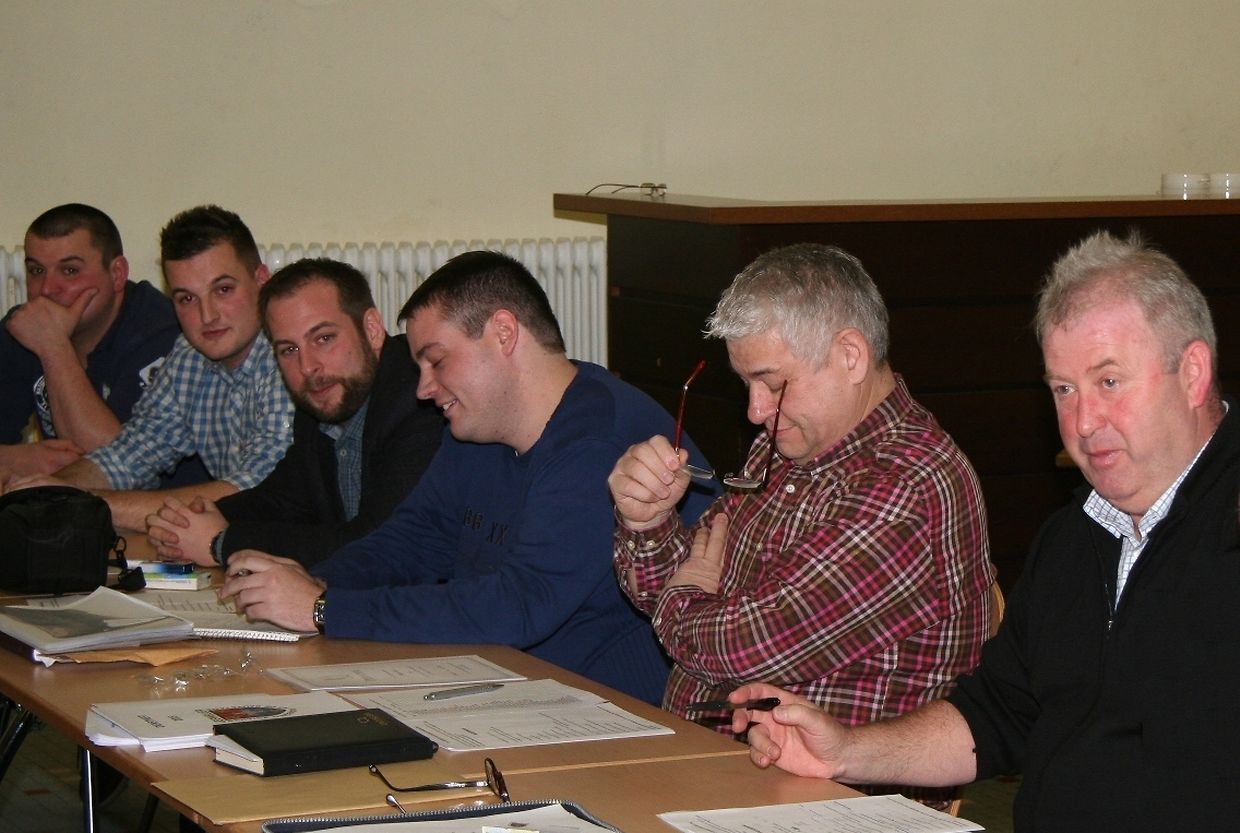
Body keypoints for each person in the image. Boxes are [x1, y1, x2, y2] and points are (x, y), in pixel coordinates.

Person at [731, 231, 1237, 833]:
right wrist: (845, 751)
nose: (1083, 421)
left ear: (1193, 374)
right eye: (1063, 389)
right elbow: (996, 717)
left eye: (1109, 382)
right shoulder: (1073, 539)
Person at [220, 250, 717, 704]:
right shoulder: (478, 430)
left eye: (436, 361)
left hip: (619, 715)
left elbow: (518, 606)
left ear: (503, 334)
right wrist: (316, 582)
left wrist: (325, 609)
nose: (423, 389)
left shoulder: (600, 441)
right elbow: (411, 541)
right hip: (513, 689)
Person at [607, 243, 995, 804]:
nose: (755, 411)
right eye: (747, 384)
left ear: (850, 356)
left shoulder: (907, 486)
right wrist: (647, 523)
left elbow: (742, 646)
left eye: (773, 383)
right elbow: (685, 589)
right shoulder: (790, 448)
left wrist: (682, 599)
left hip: (836, 803)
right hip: (722, 775)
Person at [3, 206, 294, 532]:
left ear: (262, 281)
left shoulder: (289, 357)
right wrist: (45, 492)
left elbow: (253, 494)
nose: (207, 315)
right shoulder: (190, 355)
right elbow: (130, 454)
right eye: (186, 299)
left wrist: (77, 501)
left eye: (223, 290)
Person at [145, 257, 443, 567]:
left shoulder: (419, 402)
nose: (307, 367)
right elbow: (281, 500)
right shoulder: (319, 407)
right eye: (289, 350)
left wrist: (221, 542)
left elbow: (380, 545)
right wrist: (193, 521)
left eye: (323, 338)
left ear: (372, 329)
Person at [0, 204, 182, 476]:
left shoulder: (163, 334)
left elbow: (116, 469)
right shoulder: (27, 326)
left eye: (70, 271)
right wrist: (11, 459)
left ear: (117, 274)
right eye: (36, 271)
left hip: (168, 500)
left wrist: (53, 347)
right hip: (70, 499)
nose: (47, 289)